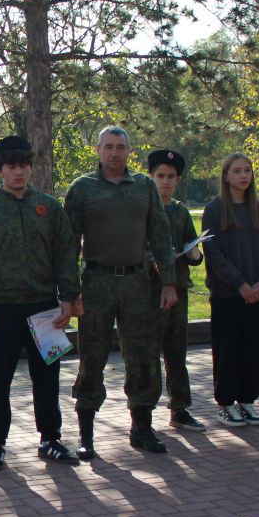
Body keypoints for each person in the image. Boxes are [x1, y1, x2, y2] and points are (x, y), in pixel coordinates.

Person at [64, 127, 178, 458]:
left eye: (120, 147)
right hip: (96, 282)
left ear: (129, 151)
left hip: (136, 281)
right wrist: (70, 292)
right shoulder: (83, 188)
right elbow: (68, 243)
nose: (114, 153)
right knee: (92, 356)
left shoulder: (144, 186)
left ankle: (142, 427)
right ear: (98, 150)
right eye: (109, 147)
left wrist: (169, 282)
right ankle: (86, 434)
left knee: (142, 355)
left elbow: (161, 235)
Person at [0, 135, 80, 472]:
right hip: (0, 309)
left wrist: (68, 298)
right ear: (0, 170)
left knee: (47, 377)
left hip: (43, 307)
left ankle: (50, 438)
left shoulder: (49, 207)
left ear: (31, 167)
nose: (18, 172)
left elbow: (65, 254)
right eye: (11, 166)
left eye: (23, 166)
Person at [201, 153, 259, 427]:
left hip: (258, 293)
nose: (243, 176)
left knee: (253, 348)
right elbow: (214, 254)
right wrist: (240, 284)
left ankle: (247, 400)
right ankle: (226, 403)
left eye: (247, 170)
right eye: (237, 171)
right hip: (227, 294)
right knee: (227, 349)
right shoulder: (214, 210)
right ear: (226, 175)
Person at [147, 149, 206, 433]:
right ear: (151, 177)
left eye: (171, 176)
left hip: (179, 287)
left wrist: (194, 254)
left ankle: (179, 408)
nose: (166, 181)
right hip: (151, 289)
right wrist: (155, 259)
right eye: (160, 176)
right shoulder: (145, 208)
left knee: (176, 351)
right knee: (148, 352)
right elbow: (138, 246)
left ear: (178, 179)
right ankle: (144, 410)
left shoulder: (181, 211)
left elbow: (191, 244)